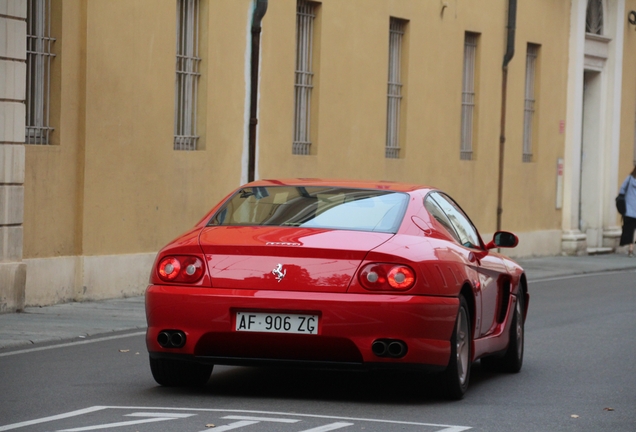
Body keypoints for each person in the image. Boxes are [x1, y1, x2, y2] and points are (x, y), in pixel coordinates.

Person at [619, 165, 636, 256]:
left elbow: (622, 190)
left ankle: (630, 248)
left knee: (630, 229)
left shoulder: (629, 179)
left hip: (629, 210)